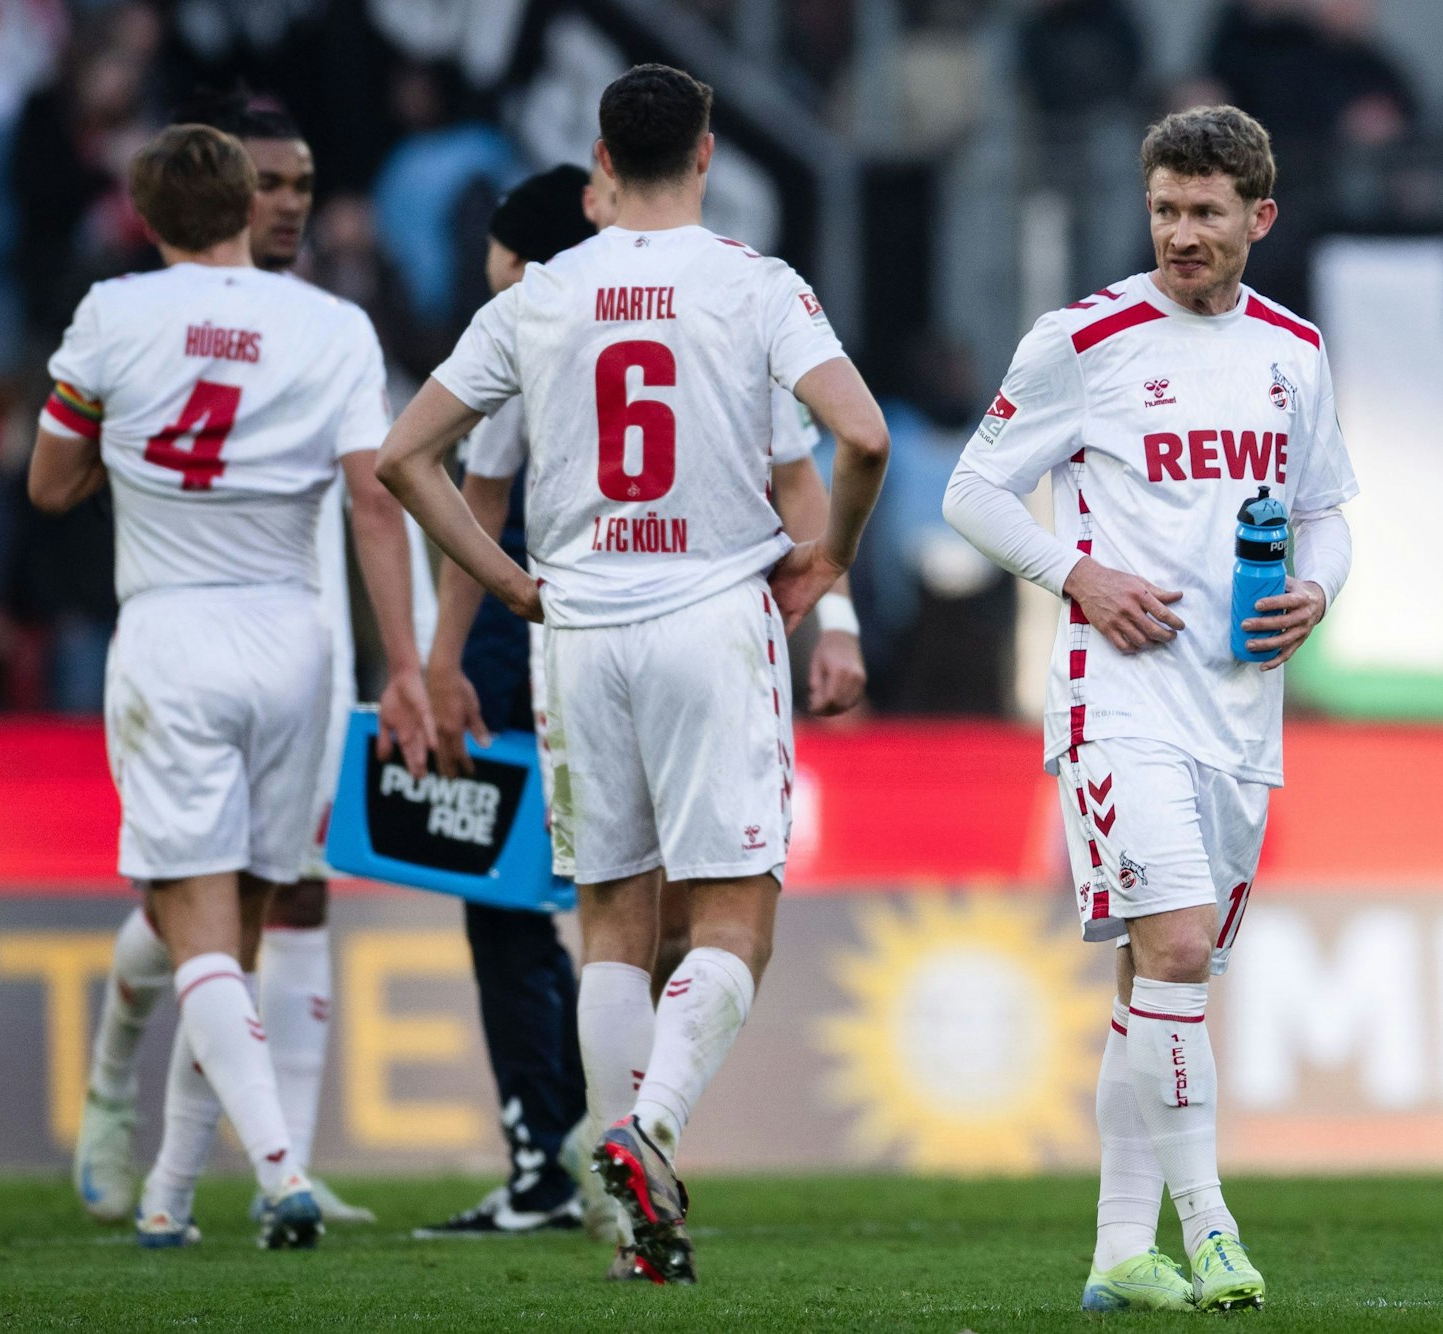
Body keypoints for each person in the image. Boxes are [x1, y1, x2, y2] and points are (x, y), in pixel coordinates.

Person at [377, 63, 889, 1285]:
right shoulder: (756, 284)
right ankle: (649, 1129)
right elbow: (859, 434)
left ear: (602, 158)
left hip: (580, 630)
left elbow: (408, 458)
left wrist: (504, 582)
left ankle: (632, 1233)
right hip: (714, 617)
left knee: (610, 922)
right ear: (707, 154)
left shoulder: (539, 296)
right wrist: (829, 562)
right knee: (731, 918)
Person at [943, 104, 1356, 1312]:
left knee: (1160, 982)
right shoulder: (1087, 338)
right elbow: (976, 489)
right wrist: (1079, 575)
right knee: (1174, 946)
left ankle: (1122, 1245)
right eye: (1166, 210)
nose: (1182, 234)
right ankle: (1212, 1226)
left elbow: (1327, 503)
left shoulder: (1294, 349)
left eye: (1206, 214)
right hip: (1114, 697)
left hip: (1240, 708)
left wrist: (1319, 588)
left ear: (1258, 219)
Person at [31, 124, 435, 1248]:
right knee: (239, 926)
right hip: (294, 638)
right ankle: (168, 1188)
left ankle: (276, 1171)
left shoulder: (114, 313)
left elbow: (50, 480)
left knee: (197, 923)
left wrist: (128, 440)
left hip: (171, 629)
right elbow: (372, 501)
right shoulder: (335, 326)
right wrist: (405, 664)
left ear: (147, 217)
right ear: (246, 206)